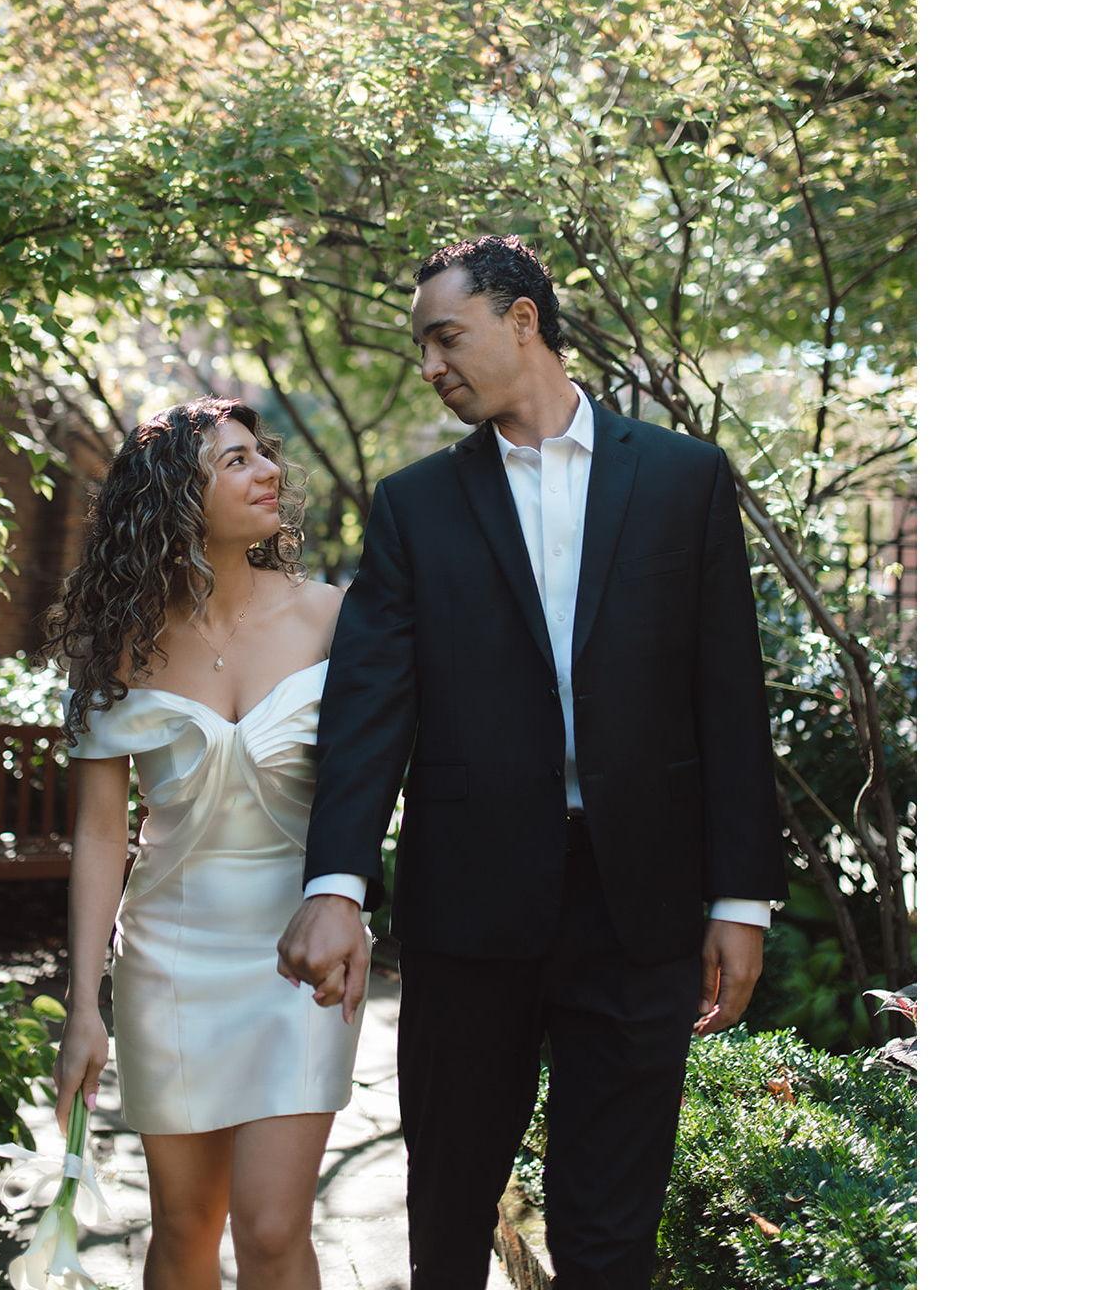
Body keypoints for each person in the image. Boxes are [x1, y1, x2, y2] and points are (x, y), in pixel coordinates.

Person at [277, 235, 789, 1289]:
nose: (430, 367)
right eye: (422, 348)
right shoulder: (414, 505)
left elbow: (728, 696)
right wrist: (336, 885)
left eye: (445, 337)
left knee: (612, 1234)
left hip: (640, 908)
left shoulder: (684, 478)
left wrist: (740, 897)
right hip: (469, 910)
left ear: (522, 320)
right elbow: (372, 709)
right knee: (448, 1214)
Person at [44, 398, 365, 1290]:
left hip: (301, 956)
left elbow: (376, 779)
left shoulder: (335, 618)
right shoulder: (117, 645)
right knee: (186, 1228)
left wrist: (350, 902)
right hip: (168, 961)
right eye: (235, 461)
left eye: (262, 454)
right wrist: (83, 1004)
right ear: (174, 499)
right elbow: (100, 832)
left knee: (272, 1227)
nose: (268, 471)